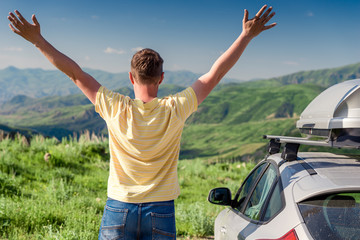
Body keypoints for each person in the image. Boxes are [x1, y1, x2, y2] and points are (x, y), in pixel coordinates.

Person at [8, 5, 276, 239]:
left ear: (131, 77)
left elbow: (75, 73)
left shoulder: (114, 106)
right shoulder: (176, 108)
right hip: (160, 209)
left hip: (119, 206)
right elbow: (214, 74)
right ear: (161, 78)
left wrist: (37, 40)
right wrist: (245, 36)